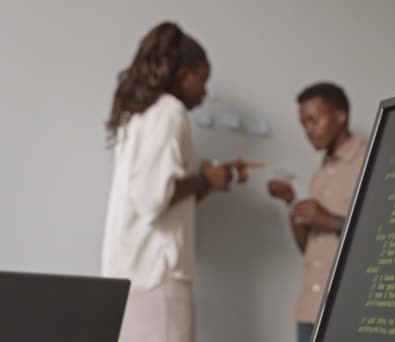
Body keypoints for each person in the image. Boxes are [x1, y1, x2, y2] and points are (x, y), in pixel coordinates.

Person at [102, 22, 248, 342]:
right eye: (202, 81)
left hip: (131, 271)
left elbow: (159, 195)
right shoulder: (170, 111)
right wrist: (204, 179)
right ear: (183, 74)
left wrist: (208, 181)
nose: (205, 92)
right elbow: (154, 198)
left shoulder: (138, 114)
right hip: (156, 273)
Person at [268, 82, 367, 342]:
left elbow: (386, 237)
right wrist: (292, 205)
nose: (308, 131)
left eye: (314, 120)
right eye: (303, 124)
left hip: (348, 308)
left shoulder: (372, 160)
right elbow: (309, 248)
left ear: (340, 116)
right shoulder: (319, 176)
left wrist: (329, 220)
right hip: (309, 308)